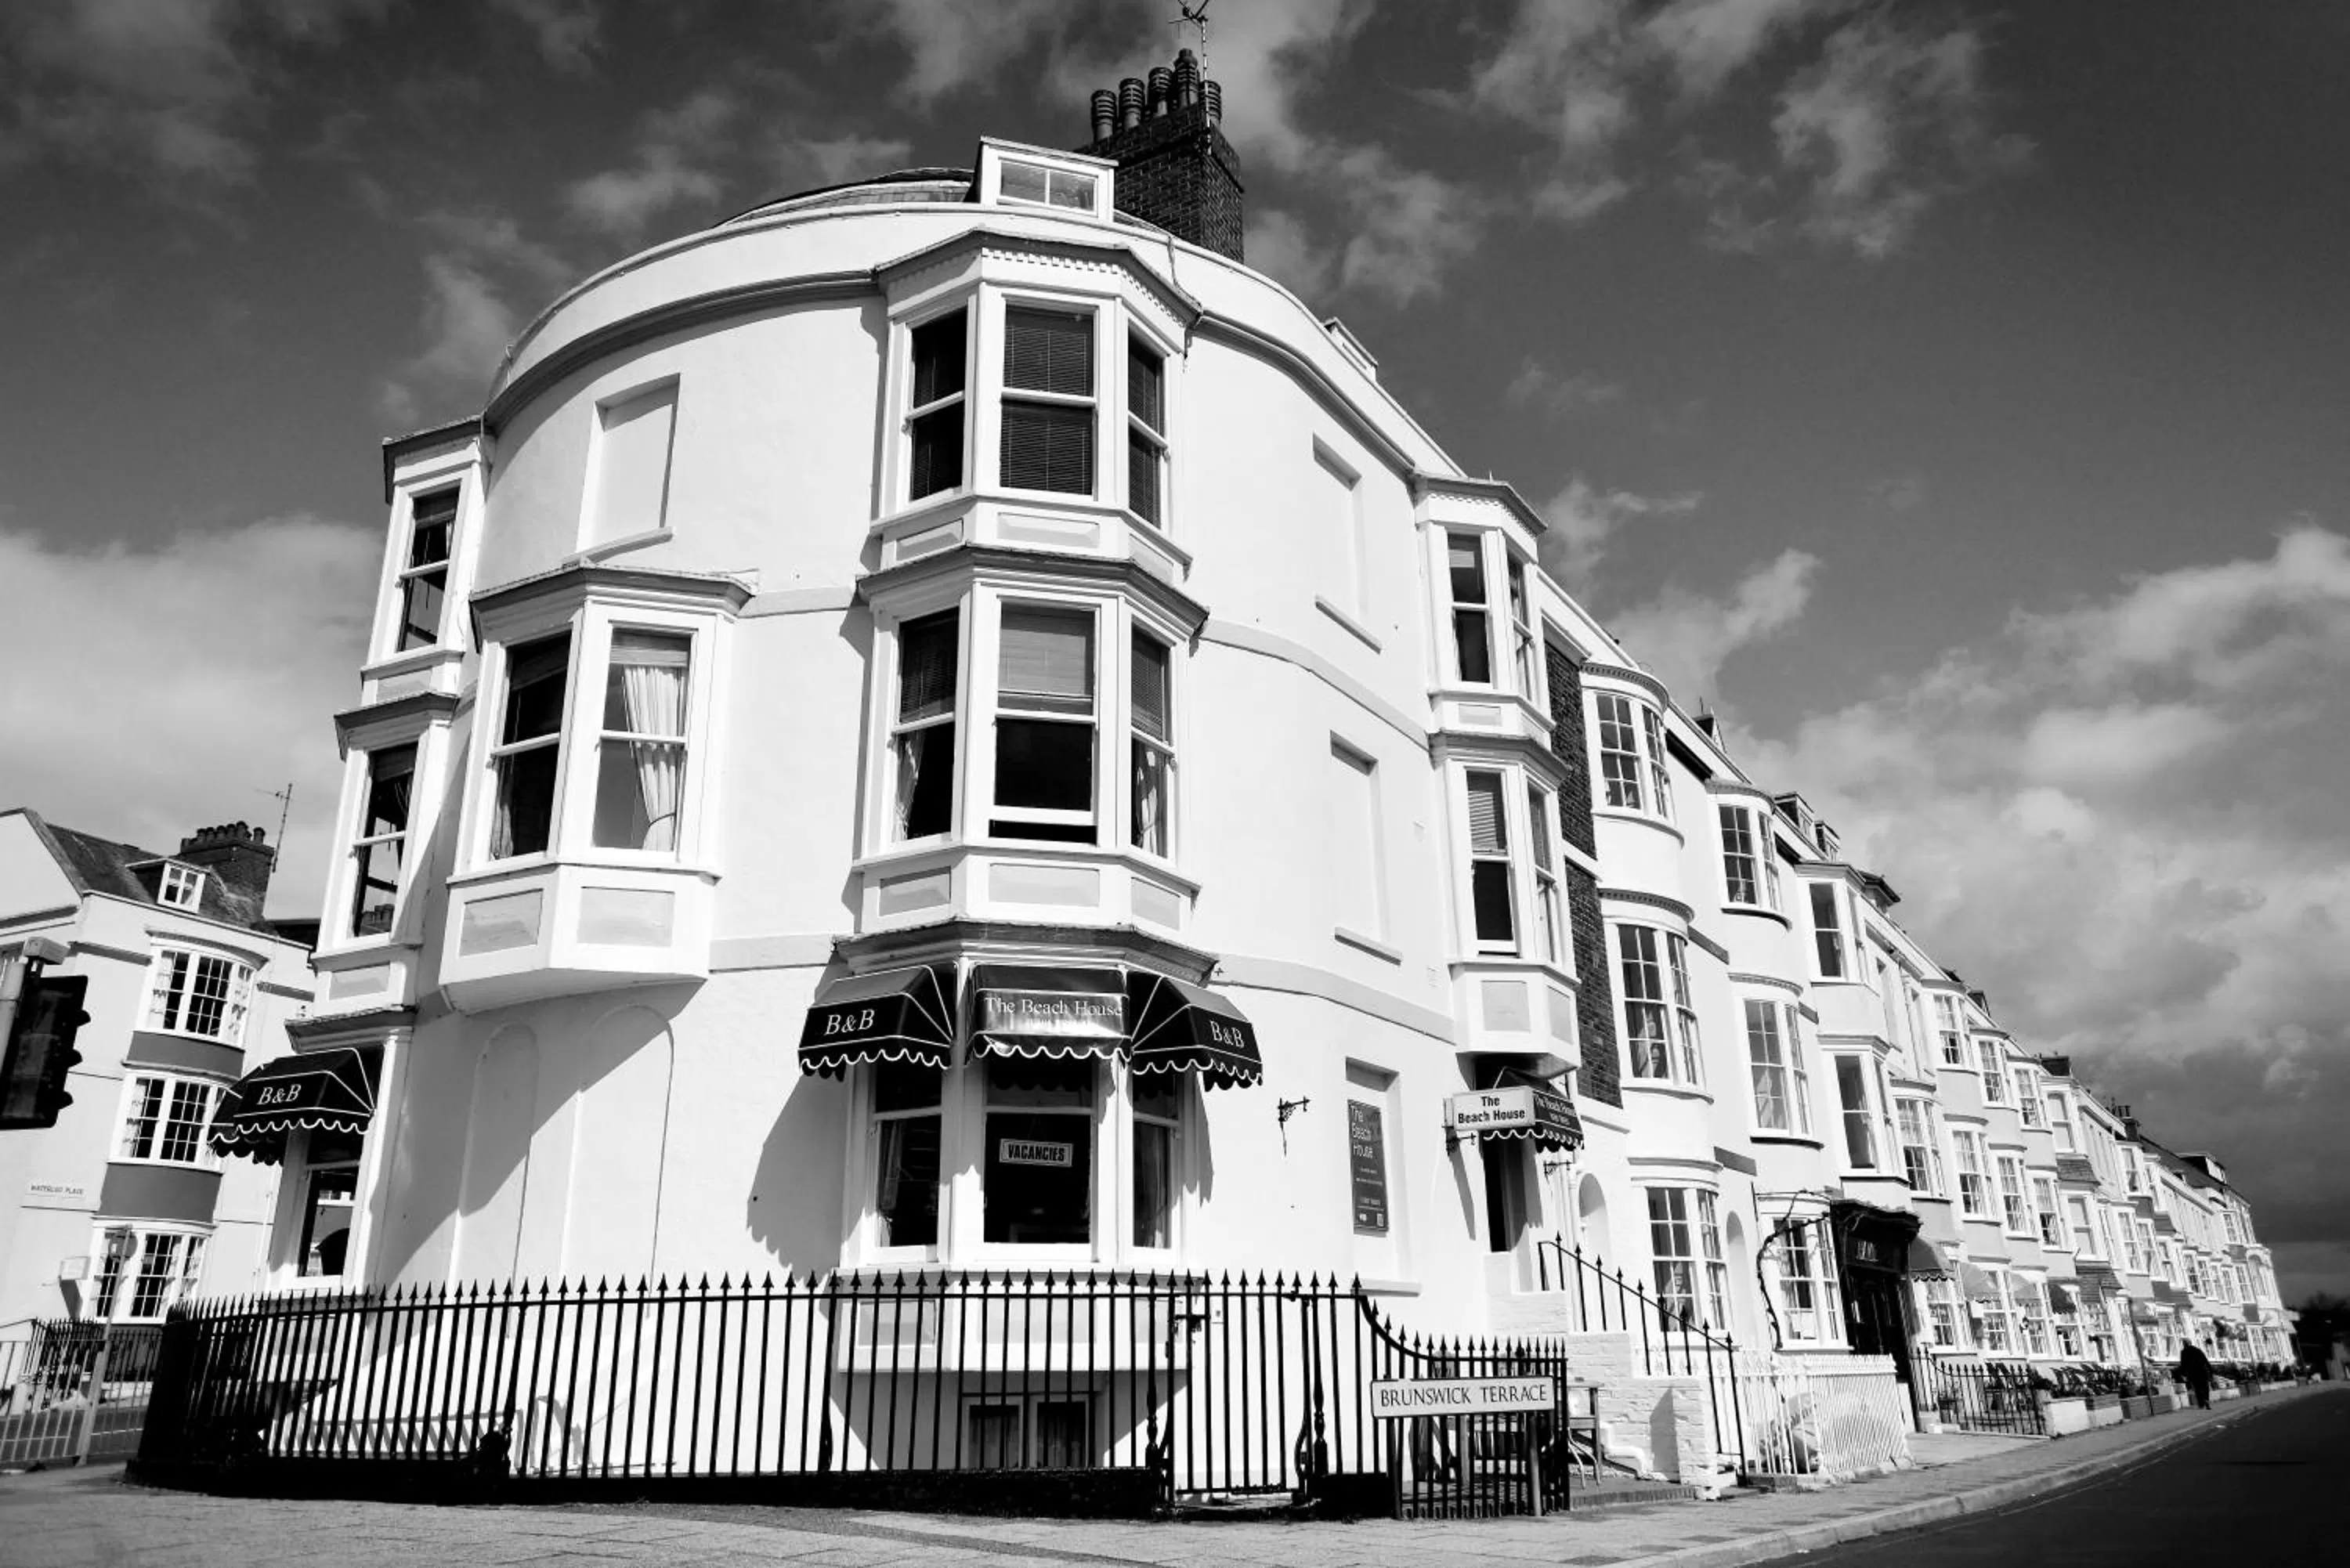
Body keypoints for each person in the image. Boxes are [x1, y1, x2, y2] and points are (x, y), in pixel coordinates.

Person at [2177, 1341, 2214, 1408]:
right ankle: (2206, 1400)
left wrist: (2183, 1373)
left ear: (2184, 1345)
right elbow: (2205, 1360)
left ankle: (2201, 1404)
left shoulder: (2183, 1352)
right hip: (2202, 1371)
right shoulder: (2198, 1350)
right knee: (2205, 1387)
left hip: (2193, 1373)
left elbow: (2183, 1364)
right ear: (2191, 1343)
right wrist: (2210, 1370)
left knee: (2197, 1388)